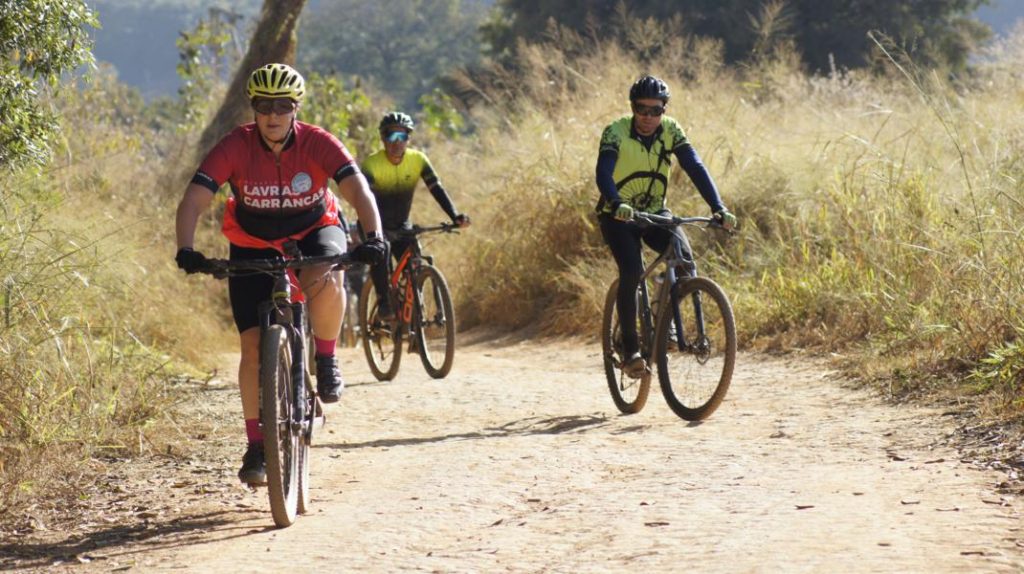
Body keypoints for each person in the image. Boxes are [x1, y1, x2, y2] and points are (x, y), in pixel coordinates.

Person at [174, 63, 387, 486]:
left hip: (314, 228)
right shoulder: (235, 145)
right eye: (263, 105)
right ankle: (256, 444)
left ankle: (325, 359)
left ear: (296, 108)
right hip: (252, 239)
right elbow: (195, 198)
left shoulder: (318, 143)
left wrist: (375, 236)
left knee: (324, 273)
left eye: (282, 106)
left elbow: (358, 189)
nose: (272, 115)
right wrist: (186, 248)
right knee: (251, 348)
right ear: (253, 108)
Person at [595, 75, 737, 379]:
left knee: (685, 263)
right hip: (618, 216)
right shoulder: (615, 131)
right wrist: (617, 201)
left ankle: (665, 321)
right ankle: (631, 350)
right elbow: (603, 172)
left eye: (656, 111)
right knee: (632, 272)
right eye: (642, 110)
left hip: (656, 214)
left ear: (664, 110)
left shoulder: (671, 130)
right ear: (632, 108)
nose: (648, 117)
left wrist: (718, 207)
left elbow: (695, 166)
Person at [360, 111, 470, 322]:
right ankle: (384, 301)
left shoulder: (418, 159)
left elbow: (436, 188)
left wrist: (455, 215)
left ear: (409, 139)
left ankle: (418, 319)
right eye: (392, 136)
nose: (397, 143)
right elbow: (365, 200)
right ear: (383, 138)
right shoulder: (372, 164)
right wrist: (375, 231)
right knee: (380, 255)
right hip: (375, 224)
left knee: (417, 260)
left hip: (402, 225)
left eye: (403, 137)